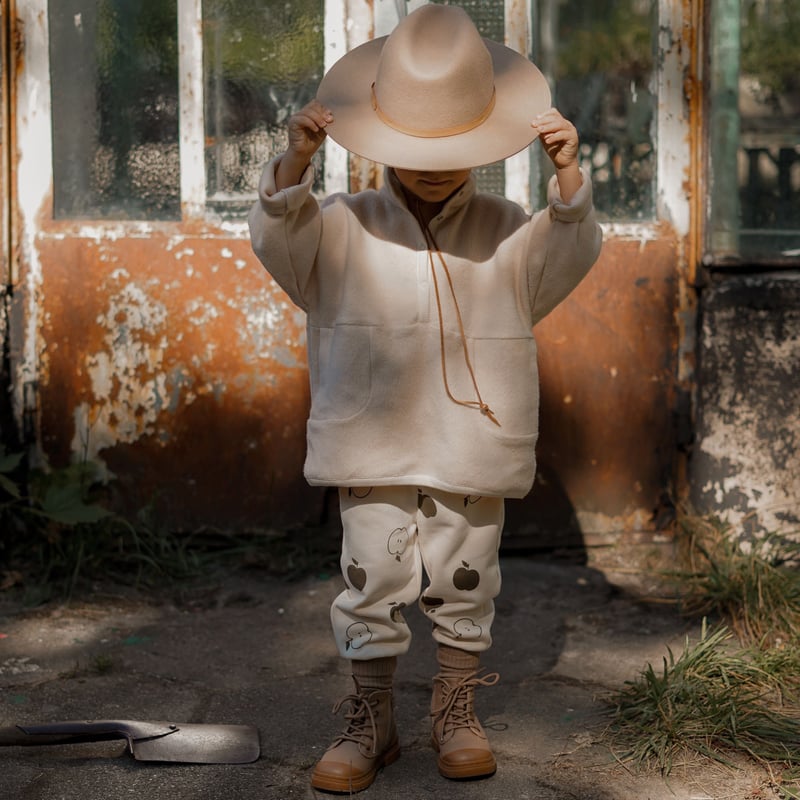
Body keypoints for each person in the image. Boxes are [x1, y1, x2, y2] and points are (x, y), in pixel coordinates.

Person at [249, 4, 602, 793]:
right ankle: (372, 720)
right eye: (417, 148)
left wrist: (569, 180)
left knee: (467, 575)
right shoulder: (339, 225)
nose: (435, 165)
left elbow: (567, 253)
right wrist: (293, 165)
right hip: (369, 439)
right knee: (370, 574)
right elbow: (279, 242)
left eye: (453, 148)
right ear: (380, 142)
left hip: (471, 443)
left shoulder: (511, 230)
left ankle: (457, 709)